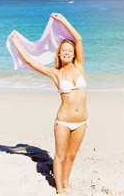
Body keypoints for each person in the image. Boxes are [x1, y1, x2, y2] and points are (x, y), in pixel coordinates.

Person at [11, 14, 88, 195]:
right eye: (64, 51)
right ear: (59, 54)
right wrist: (16, 42)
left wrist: (63, 20)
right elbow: (31, 61)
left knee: (72, 155)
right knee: (60, 156)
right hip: (63, 121)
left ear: (74, 53)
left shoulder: (80, 66)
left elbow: (78, 38)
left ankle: (66, 183)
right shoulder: (55, 74)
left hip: (82, 121)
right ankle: (59, 189)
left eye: (70, 50)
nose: (67, 52)